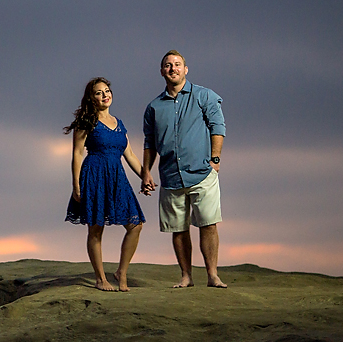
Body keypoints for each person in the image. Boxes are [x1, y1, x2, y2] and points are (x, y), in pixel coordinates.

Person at [140, 50, 228, 289]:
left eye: (177, 64)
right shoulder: (154, 107)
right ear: (161, 71)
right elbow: (150, 142)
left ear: (185, 69)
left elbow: (218, 126)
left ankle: (212, 275)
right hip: (170, 176)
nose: (173, 69)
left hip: (202, 173)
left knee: (208, 223)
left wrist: (215, 159)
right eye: (168, 65)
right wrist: (146, 172)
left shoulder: (204, 96)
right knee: (178, 229)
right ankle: (186, 276)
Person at [64, 77, 147, 292]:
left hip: (117, 177)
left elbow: (129, 154)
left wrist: (145, 176)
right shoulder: (86, 121)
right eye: (99, 92)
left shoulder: (119, 124)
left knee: (135, 225)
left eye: (107, 91)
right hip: (94, 175)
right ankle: (101, 279)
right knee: (96, 229)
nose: (105, 95)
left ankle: (121, 272)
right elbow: (77, 153)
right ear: (91, 98)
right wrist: (76, 185)